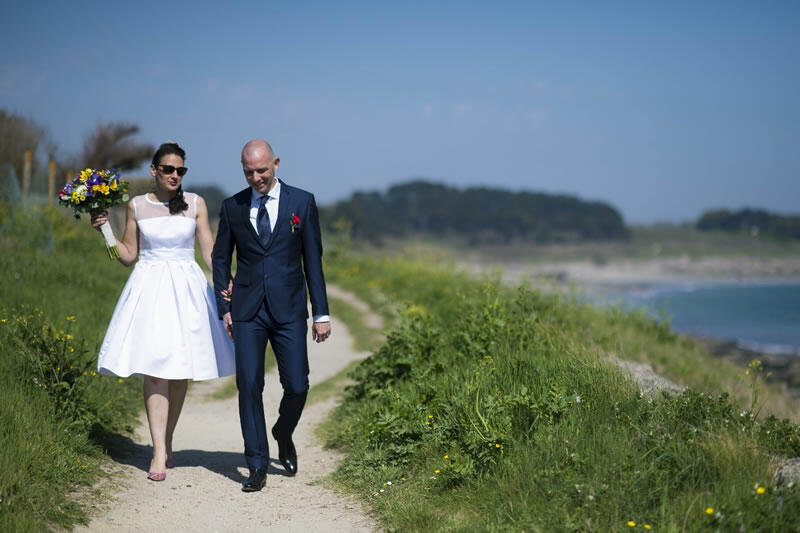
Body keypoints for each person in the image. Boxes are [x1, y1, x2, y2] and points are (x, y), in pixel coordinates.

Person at [91, 142, 235, 481]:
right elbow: (128, 255)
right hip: (150, 289)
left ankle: (167, 439)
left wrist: (228, 293)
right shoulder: (137, 205)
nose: (174, 175)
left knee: (179, 373)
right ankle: (157, 451)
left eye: (180, 170)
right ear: (154, 170)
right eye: (168, 169)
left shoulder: (196, 204)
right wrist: (105, 233)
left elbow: (211, 253)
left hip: (187, 290)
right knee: (154, 370)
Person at [212, 139, 330, 492]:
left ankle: (282, 432)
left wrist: (320, 312)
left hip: (290, 307)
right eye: (249, 171)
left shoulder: (302, 202)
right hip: (247, 309)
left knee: (297, 385)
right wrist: (225, 307)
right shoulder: (232, 206)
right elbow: (220, 259)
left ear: (276, 163)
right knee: (249, 385)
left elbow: (313, 260)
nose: (256, 178)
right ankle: (257, 465)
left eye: (262, 170)